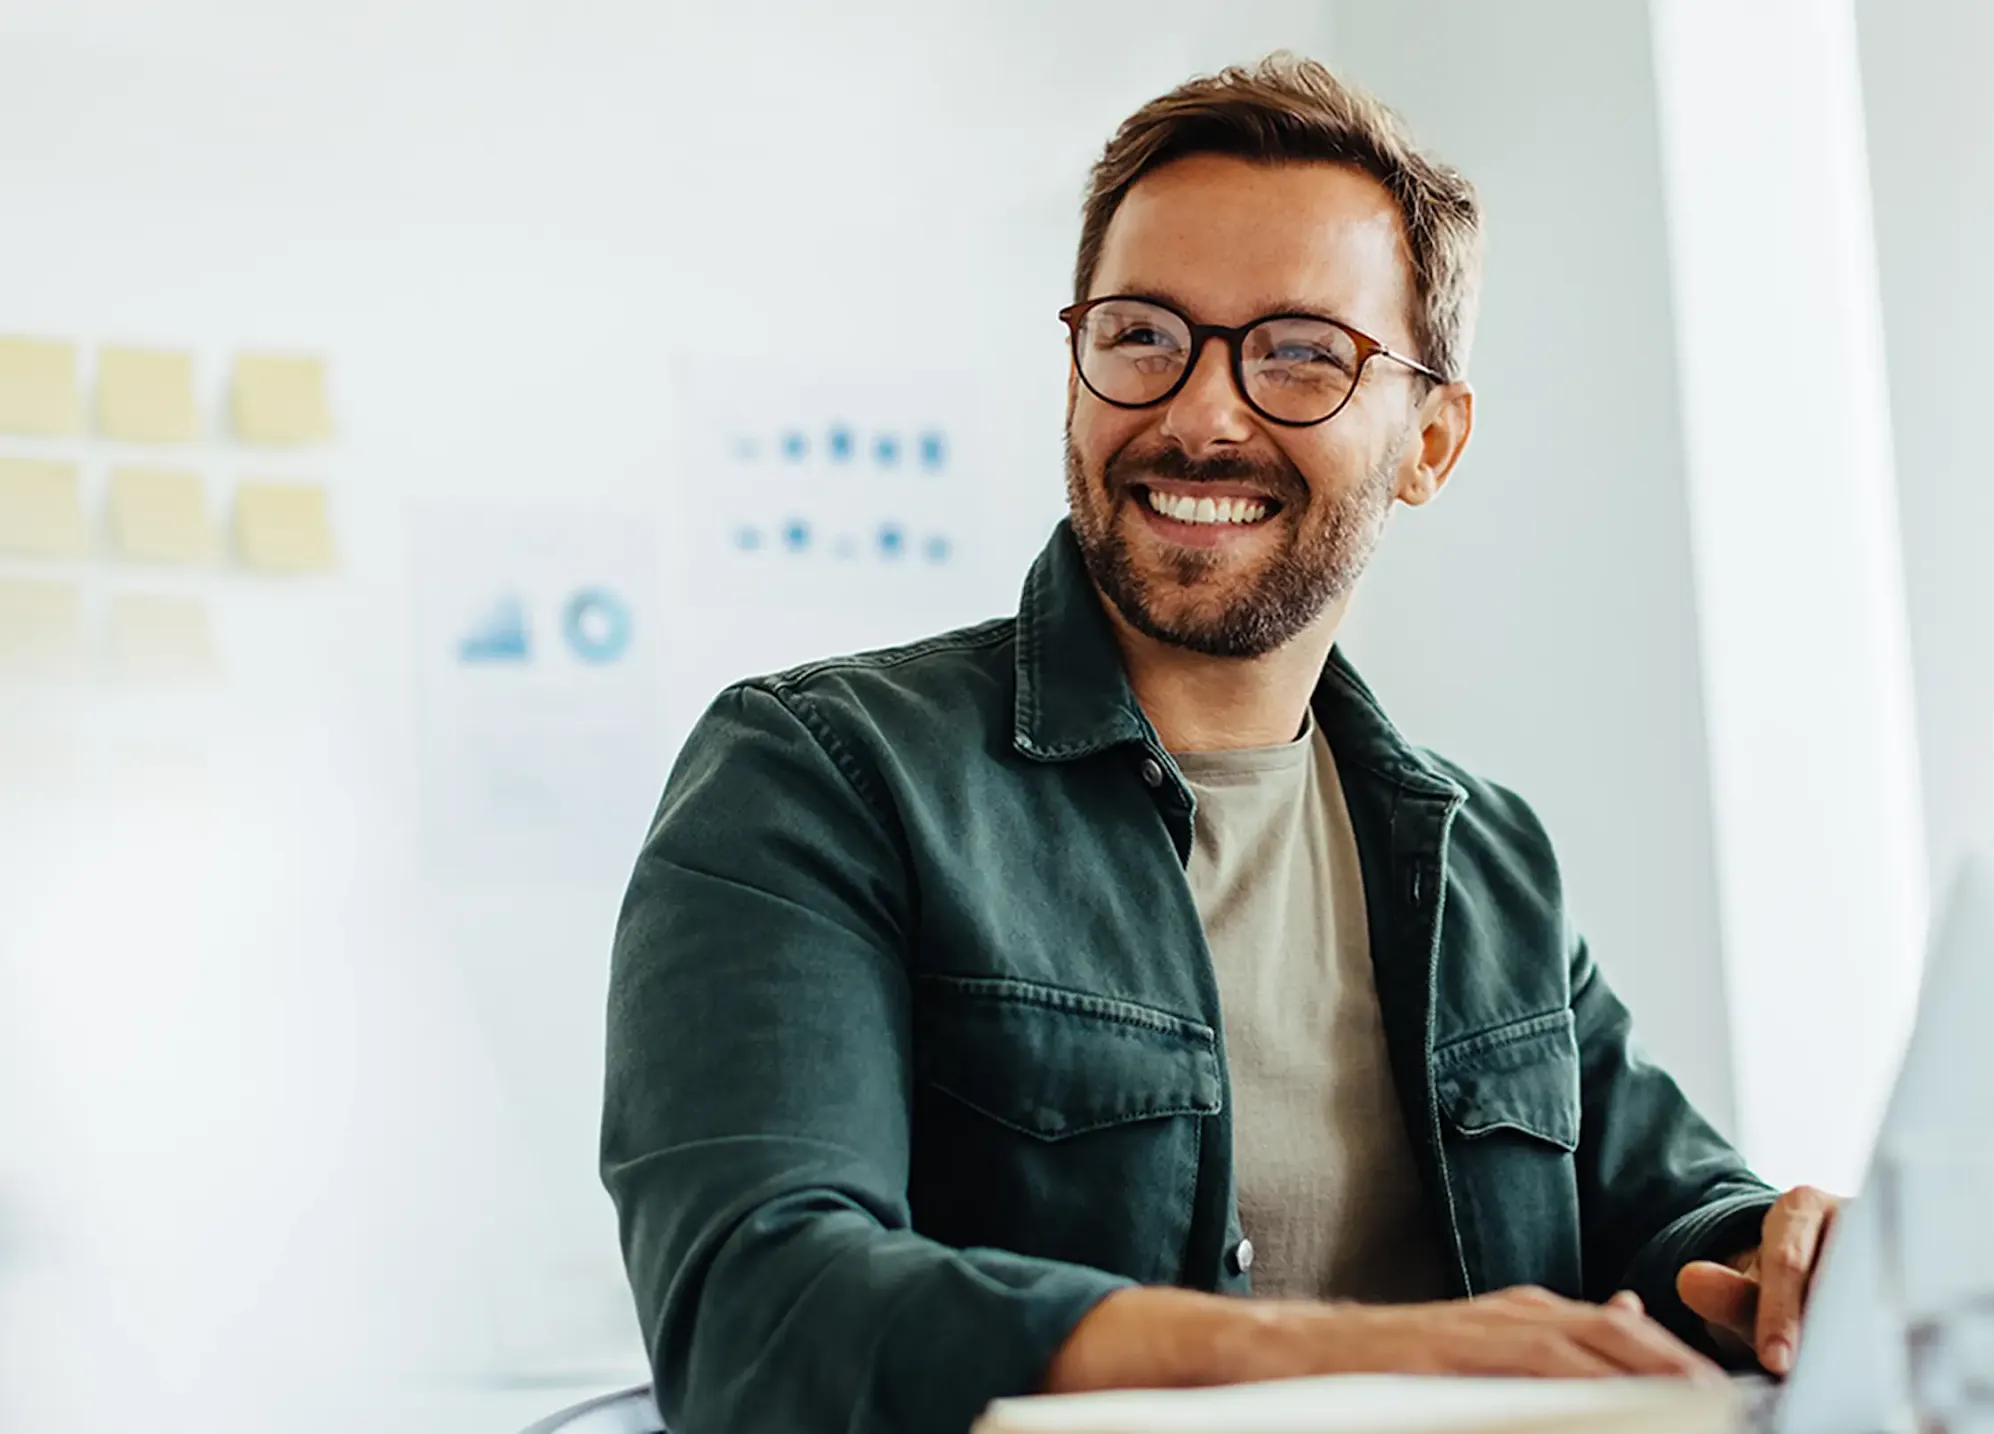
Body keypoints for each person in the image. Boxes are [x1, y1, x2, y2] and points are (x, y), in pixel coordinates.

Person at [602, 55, 1835, 1434]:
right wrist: (1365, 1355)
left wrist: (1792, 1255)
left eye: (1302, 353)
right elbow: (760, 1314)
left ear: (1430, 441)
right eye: (1142, 335)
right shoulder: (818, 775)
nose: (1199, 414)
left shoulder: (1485, 855)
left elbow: (1675, 1221)